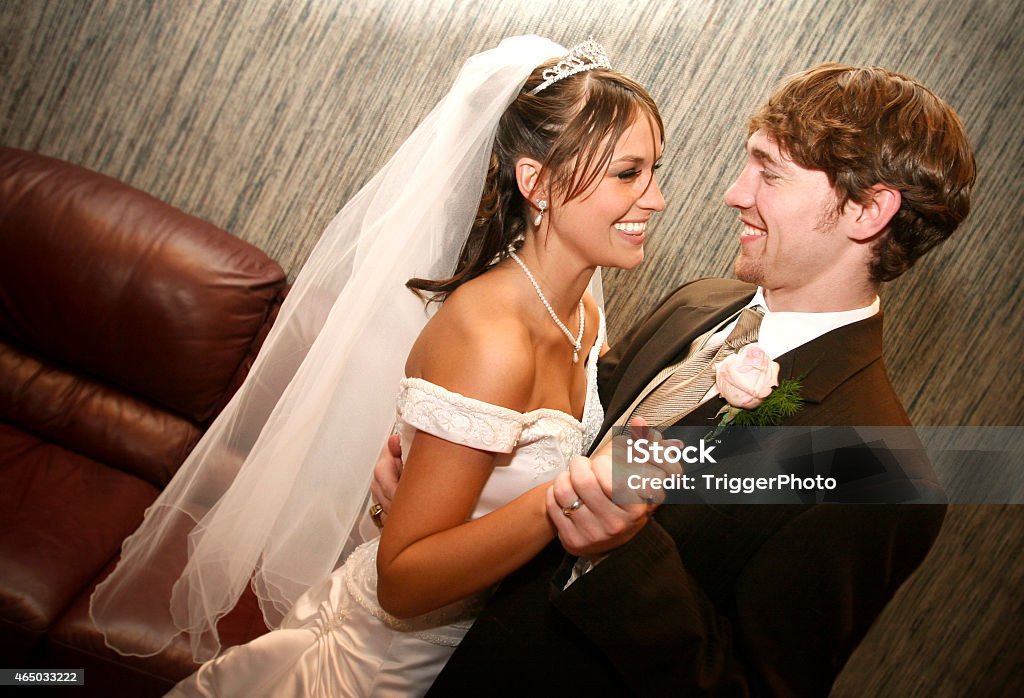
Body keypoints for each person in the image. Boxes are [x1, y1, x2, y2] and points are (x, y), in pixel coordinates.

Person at [91, 36, 768, 697]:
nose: (656, 198)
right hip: (380, 668)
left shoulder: (584, 316)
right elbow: (404, 581)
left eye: (655, 170)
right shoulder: (490, 338)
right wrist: (574, 492)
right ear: (535, 182)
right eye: (628, 173)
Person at [372, 63, 975, 696]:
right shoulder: (696, 304)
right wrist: (418, 497)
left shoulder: (877, 475)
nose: (734, 193)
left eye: (769, 172)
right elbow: (554, 446)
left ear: (868, 210)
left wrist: (618, 554)